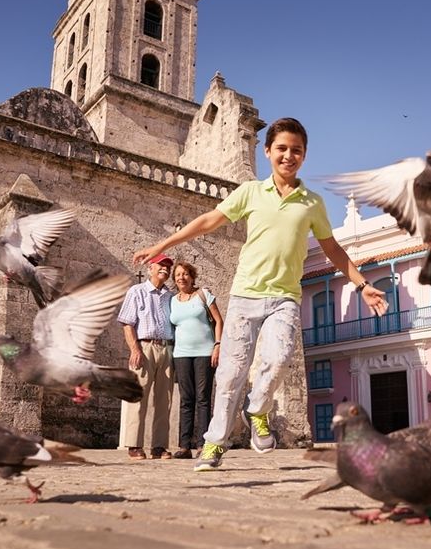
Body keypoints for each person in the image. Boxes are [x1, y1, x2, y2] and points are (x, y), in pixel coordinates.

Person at [133, 117, 388, 471]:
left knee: (279, 357)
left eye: (296, 150)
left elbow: (332, 249)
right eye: (281, 148)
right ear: (267, 151)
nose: (288, 156)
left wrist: (361, 285)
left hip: (285, 298)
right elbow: (208, 221)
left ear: (304, 155)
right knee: (231, 374)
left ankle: (257, 409)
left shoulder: (312, 203)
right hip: (245, 296)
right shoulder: (251, 192)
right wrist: (163, 244)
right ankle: (214, 443)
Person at [117, 253, 175, 460]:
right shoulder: (137, 291)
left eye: (168, 266)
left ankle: (159, 446)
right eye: (161, 265)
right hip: (144, 347)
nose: (165, 269)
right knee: (138, 397)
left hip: (167, 348)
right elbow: (127, 323)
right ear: (150, 268)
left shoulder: (171, 296)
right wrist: (135, 349)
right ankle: (134, 445)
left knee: (164, 400)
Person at [170, 261, 224, 459]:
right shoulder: (172, 300)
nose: (181, 277)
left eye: (185, 274)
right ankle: (184, 446)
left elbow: (218, 320)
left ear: (192, 277)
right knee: (186, 399)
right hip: (181, 354)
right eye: (178, 275)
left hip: (204, 352)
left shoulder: (204, 294)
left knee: (203, 398)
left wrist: (217, 345)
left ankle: (203, 444)